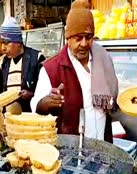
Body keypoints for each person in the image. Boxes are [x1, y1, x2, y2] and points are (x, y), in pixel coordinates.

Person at [30, 0, 118, 143]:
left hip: (103, 147)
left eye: (88, 37)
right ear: (68, 38)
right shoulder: (51, 69)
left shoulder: (103, 60)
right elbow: (36, 106)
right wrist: (46, 102)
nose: (84, 44)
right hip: (70, 152)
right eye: (78, 38)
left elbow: (112, 99)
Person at [0, 17, 46, 112]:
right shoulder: (4, 62)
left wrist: (30, 94)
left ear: (18, 42)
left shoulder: (37, 59)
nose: (3, 48)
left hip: (29, 117)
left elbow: (45, 91)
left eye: (6, 43)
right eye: (1, 43)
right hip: (9, 118)